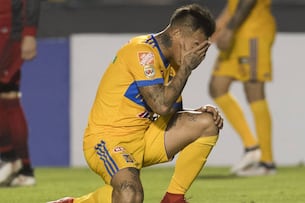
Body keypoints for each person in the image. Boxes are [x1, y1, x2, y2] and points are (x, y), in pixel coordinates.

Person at [49, 3, 222, 203]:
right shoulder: (142, 52)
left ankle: (173, 199)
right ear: (177, 33)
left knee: (208, 122)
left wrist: (197, 113)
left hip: (143, 138)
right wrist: (186, 69)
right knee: (130, 193)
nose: (199, 53)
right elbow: (161, 106)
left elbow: (170, 113)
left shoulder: (173, 64)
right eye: (196, 45)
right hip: (108, 140)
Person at [209, 0, 276, 176]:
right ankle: (252, 147)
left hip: (254, 31)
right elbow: (233, 5)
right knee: (217, 86)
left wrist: (229, 29)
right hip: (237, 30)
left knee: (254, 92)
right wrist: (218, 28)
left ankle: (267, 163)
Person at [0, 0, 41, 186]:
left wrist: (30, 33)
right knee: (7, 96)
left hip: (8, 24)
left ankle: (12, 161)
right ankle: (18, 166)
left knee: (7, 94)